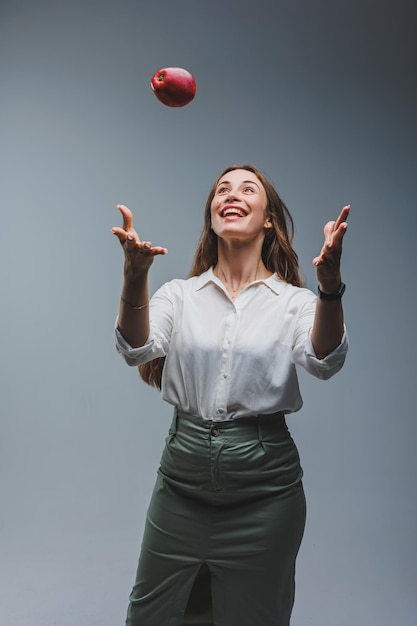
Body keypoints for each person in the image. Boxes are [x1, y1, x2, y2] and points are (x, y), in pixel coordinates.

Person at [111, 164, 349, 626]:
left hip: (265, 495)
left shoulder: (295, 302)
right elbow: (134, 347)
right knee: (152, 616)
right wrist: (135, 274)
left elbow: (325, 360)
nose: (231, 195)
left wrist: (329, 289)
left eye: (246, 189)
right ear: (212, 216)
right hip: (180, 488)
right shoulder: (179, 295)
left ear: (268, 220)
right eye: (222, 190)